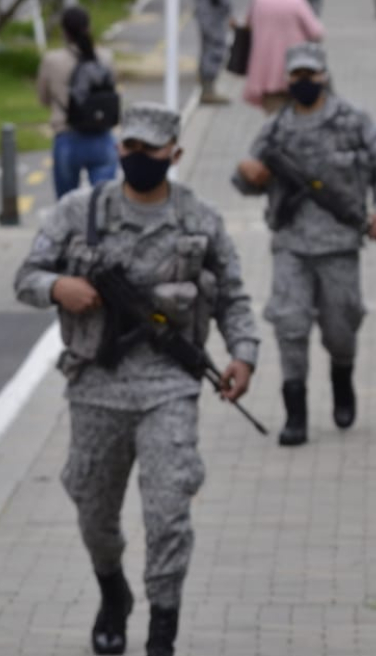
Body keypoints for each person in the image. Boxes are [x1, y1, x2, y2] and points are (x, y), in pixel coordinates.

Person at [13, 102, 258, 656]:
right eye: (130, 146)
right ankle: (112, 592)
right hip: (95, 385)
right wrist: (58, 288)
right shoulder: (81, 212)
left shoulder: (199, 219)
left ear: (175, 152)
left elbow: (234, 297)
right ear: (118, 148)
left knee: (169, 510)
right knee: (94, 509)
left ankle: (162, 629)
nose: (138, 156)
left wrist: (243, 354)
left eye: (151, 149)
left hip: (169, 385)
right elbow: (26, 276)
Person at [232, 43, 376, 447]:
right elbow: (247, 181)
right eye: (297, 75)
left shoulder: (353, 121)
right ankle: (296, 413)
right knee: (289, 325)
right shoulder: (275, 129)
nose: (304, 81)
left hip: (340, 245)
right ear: (288, 80)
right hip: (290, 245)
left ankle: (342, 378)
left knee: (342, 327)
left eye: (311, 74)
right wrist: (248, 174)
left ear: (324, 75)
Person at [37, 7, 118, 198]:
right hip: (102, 136)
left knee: (67, 206)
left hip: (67, 136)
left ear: (64, 31)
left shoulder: (52, 60)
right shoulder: (105, 58)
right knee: (103, 204)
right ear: (88, 28)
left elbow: (43, 99)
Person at [242, 0, 325, 113]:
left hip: (265, 71)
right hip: (295, 69)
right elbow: (316, 32)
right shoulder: (296, 0)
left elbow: (248, 25)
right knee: (297, 115)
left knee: (273, 117)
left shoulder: (259, 0)